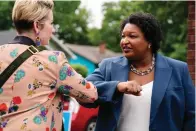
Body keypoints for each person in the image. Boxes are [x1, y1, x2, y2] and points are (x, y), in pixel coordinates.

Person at [82, 12, 195, 131]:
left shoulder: (178, 70)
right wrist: (117, 86)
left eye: (132, 36)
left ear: (149, 41)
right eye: (123, 36)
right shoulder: (108, 66)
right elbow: (84, 89)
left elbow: (192, 115)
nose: (124, 41)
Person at [0, 0, 97, 130]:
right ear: (37, 26)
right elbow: (90, 95)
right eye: (51, 23)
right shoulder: (53, 60)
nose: (53, 29)